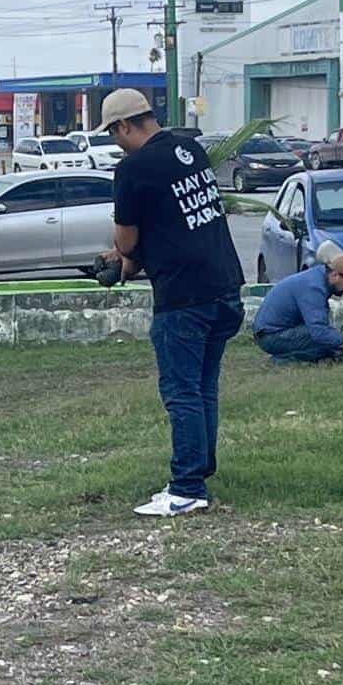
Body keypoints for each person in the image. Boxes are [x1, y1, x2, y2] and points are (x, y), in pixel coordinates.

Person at [102, 88, 246, 517]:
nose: (116, 142)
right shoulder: (191, 151)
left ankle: (186, 488)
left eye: (114, 133)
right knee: (204, 389)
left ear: (124, 125)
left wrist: (124, 260)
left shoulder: (132, 169)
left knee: (181, 392)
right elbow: (178, 218)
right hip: (225, 288)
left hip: (183, 298)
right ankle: (201, 471)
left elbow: (127, 237)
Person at [252, 246, 343, 363]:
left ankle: (290, 353)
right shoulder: (314, 288)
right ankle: (282, 359)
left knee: (333, 341)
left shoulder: (317, 277)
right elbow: (319, 331)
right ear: (335, 275)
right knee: (325, 345)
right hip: (271, 336)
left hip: (274, 331)